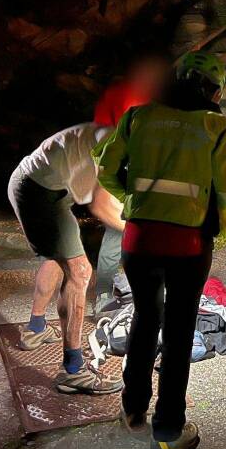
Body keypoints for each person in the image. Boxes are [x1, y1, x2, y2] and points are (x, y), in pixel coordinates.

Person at [95, 51, 226, 449]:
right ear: (213, 90)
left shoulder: (139, 117)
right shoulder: (218, 128)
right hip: (188, 244)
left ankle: (132, 409)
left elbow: (106, 169)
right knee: (178, 332)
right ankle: (167, 434)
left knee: (146, 318)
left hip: (139, 239)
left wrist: (135, 198)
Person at [8, 123, 126, 394]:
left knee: (59, 258)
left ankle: (36, 328)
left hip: (39, 185)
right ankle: (73, 371)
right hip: (39, 192)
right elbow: (101, 205)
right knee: (80, 271)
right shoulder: (113, 144)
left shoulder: (121, 137)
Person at [91, 52, 170, 314]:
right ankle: (103, 293)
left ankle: (149, 285)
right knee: (116, 232)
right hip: (124, 169)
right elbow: (100, 133)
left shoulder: (161, 95)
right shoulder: (117, 93)